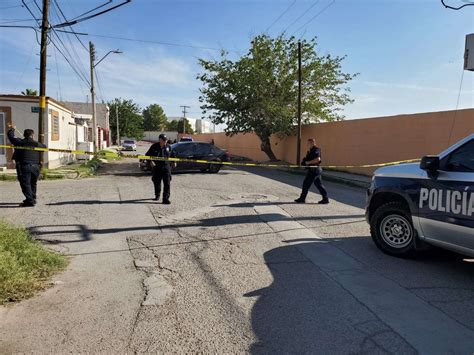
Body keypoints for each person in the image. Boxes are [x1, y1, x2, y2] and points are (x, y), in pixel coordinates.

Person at [7, 124, 46, 207]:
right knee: (33, 183)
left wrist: (12, 129)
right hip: (35, 167)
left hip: (24, 166)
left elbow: (10, 136)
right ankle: (32, 198)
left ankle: (29, 201)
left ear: (24, 135)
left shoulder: (19, 142)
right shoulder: (37, 144)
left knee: (25, 184)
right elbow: (44, 147)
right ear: (32, 135)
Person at [295, 138, 329, 204]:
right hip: (314, 170)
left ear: (313, 142)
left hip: (314, 170)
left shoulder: (316, 149)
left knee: (306, 184)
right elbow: (308, 159)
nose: (308, 144)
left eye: (309, 143)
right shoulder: (310, 150)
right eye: (308, 143)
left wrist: (308, 162)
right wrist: (304, 161)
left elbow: (318, 160)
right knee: (319, 185)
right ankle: (325, 199)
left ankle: (302, 199)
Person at [146, 134, 173, 204]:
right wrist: (150, 161)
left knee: (167, 183)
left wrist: (174, 161)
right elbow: (147, 155)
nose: (165, 141)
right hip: (157, 167)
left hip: (166, 167)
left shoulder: (168, 147)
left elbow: (173, 155)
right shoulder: (154, 147)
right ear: (160, 140)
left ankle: (165, 198)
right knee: (157, 182)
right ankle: (157, 195)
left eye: (166, 140)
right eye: (164, 140)